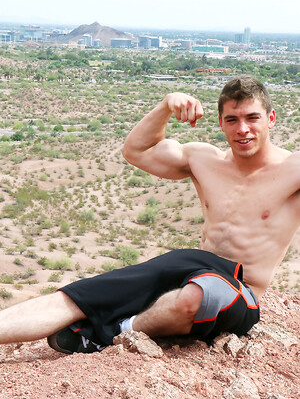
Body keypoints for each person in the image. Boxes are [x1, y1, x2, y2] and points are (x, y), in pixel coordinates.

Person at [0, 76, 299, 354]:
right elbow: (136, 151)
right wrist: (166, 105)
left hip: (241, 289)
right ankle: (93, 323)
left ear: (271, 120)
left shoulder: (291, 170)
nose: (242, 129)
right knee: (80, 296)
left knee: (196, 296)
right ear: (220, 123)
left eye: (252, 118)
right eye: (232, 120)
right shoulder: (204, 160)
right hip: (190, 264)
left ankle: (112, 333)